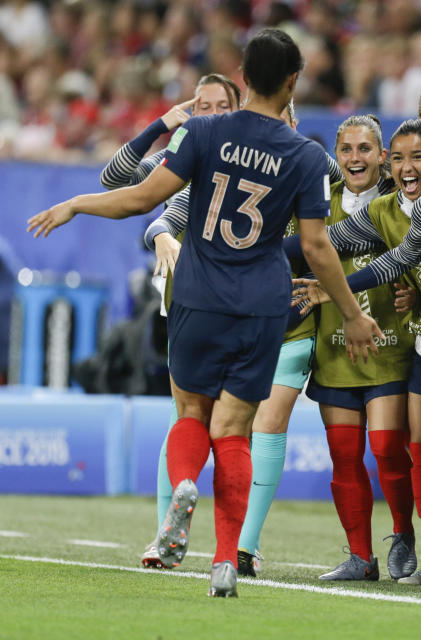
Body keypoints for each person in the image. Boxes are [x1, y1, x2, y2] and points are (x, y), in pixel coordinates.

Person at [28, 28, 382, 598]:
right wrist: (352, 313)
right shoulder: (307, 154)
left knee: (190, 412)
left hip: (197, 295)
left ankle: (186, 481)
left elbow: (142, 197)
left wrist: (77, 203)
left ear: (243, 77)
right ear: (293, 82)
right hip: (263, 305)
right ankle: (224, 560)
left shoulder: (202, 131)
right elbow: (317, 246)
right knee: (235, 429)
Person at [96, 72, 243, 569]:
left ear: (239, 110)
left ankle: (231, 544)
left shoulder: (246, 160)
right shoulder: (180, 154)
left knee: (203, 422)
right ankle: (205, 543)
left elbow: (168, 208)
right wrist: (161, 123)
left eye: (220, 105)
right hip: (196, 301)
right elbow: (114, 178)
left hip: (225, 302)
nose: (209, 113)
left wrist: (158, 227)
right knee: (217, 426)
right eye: (200, 105)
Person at [303, 118, 421, 585]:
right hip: (334, 349)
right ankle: (360, 557)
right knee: (344, 457)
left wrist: (416, 296)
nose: (355, 158)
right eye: (346, 149)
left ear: (381, 155)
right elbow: (300, 250)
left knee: (388, 449)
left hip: (390, 346)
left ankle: (403, 535)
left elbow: (414, 261)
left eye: (365, 148)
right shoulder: (314, 205)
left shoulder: (401, 206)